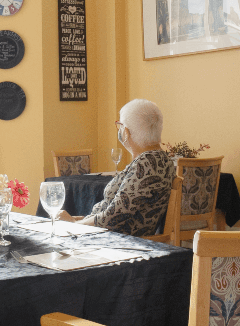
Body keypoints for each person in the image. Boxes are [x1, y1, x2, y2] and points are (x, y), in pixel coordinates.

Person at [58, 98, 175, 236]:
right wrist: (77, 220)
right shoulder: (160, 159)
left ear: (126, 132)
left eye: (120, 125)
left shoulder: (147, 163)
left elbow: (113, 217)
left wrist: (74, 225)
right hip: (109, 235)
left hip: (118, 242)